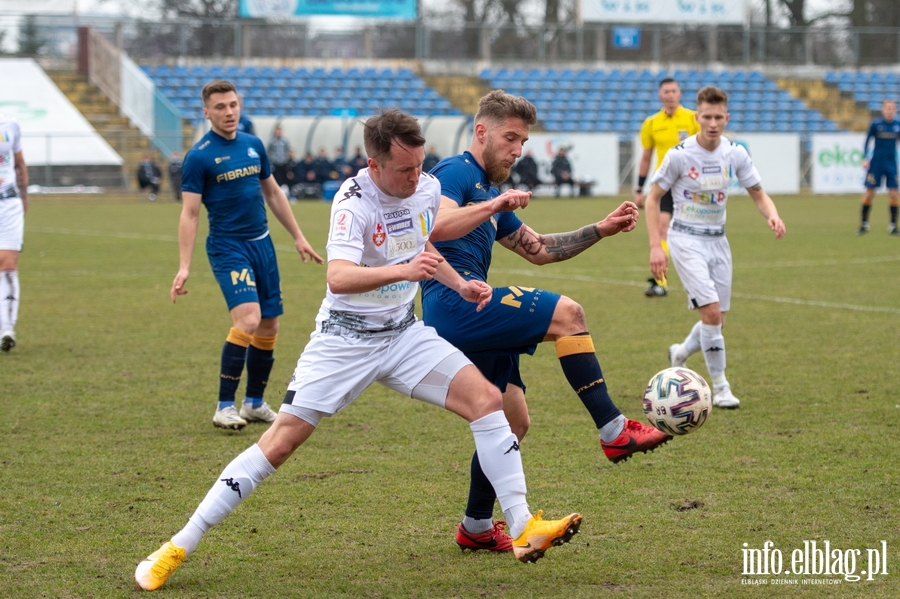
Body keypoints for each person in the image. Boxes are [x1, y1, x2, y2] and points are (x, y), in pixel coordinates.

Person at [135, 108, 583, 591]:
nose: (417, 178)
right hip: (344, 340)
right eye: (405, 169)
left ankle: (521, 528)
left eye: (420, 165)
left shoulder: (427, 187)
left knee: (487, 401)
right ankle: (180, 542)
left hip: (403, 334)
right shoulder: (353, 202)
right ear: (375, 165)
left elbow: (427, 241)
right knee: (280, 443)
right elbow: (339, 277)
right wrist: (403, 272)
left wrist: (458, 283)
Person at [422, 90, 670, 553]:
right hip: (454, 303)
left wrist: (601, 228)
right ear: (481, 132)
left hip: (467, 310)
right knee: (569, 314)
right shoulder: (455, 173)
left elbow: (539, 250)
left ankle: (475, 526)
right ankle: (614, 431)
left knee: (512, 421)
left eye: (522, 142)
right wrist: (493, 207)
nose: (517, 151)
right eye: (509, 139)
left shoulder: (491, 190)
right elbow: (432, 226)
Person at [170, 80, 323, 431]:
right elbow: (190, 214)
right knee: (249, 320)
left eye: (233, 105)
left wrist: (298, 236)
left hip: (263, 244)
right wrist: (183, 266)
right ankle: (224, 405)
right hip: (228, 247)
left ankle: (253, 403)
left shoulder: (254, 145)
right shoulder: (199, 157)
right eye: (220, 107)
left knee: (270, 323)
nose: (228, 112)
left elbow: (273, 194)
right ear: (206, 112)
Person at [645, 85, 786, 410]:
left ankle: (680, 353)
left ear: (726, 118)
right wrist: (656, 245)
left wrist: (773, 214)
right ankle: (721, 386)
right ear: (697, 117)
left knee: (717, 320)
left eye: (718, 117)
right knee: (710, 312)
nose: (712, 123)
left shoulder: (735, 153)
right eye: (706, 117)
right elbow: (653, 199)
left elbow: (757, 192)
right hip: (685, 239)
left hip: (718, 240)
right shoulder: (680, 154)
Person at [636, 77, 701, 297]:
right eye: (666, 91)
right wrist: (639, 188)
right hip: (664, 184)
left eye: (673, 91)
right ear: (660, 95)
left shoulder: (693, 118)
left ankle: (699, 277)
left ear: (679, 94)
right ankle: (660, 282)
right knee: (662, 229)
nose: (670, 95)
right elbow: (646, 157)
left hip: (690, 185)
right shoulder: (651, 123)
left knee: (692, 232)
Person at [0, 112, 27, 353]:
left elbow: (19, 162)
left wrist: (24, 196)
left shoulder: (10, 125)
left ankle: (7, 328)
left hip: (8, 203)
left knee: (8, 263)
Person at [857, 99, 900, 235]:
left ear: (895, 110)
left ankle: (893, 226)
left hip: (891, 163)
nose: (889, 110)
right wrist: (865, 157)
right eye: (887, 108)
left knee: (894, 194)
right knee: (869, 193)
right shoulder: (876, 124)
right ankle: (864, 224)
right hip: (876, 163)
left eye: (892, 108)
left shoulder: (897, 125)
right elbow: (867, 141)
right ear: (883, 110)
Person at [267, 125, 291, 189]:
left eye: (279, 131)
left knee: (284, 179)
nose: (278, 133)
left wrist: (287, 160)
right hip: (275, 163)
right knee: (275, 178)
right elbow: (269, 152)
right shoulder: (271, 141)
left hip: (283, 163)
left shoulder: (285, 141)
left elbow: (287, 151)